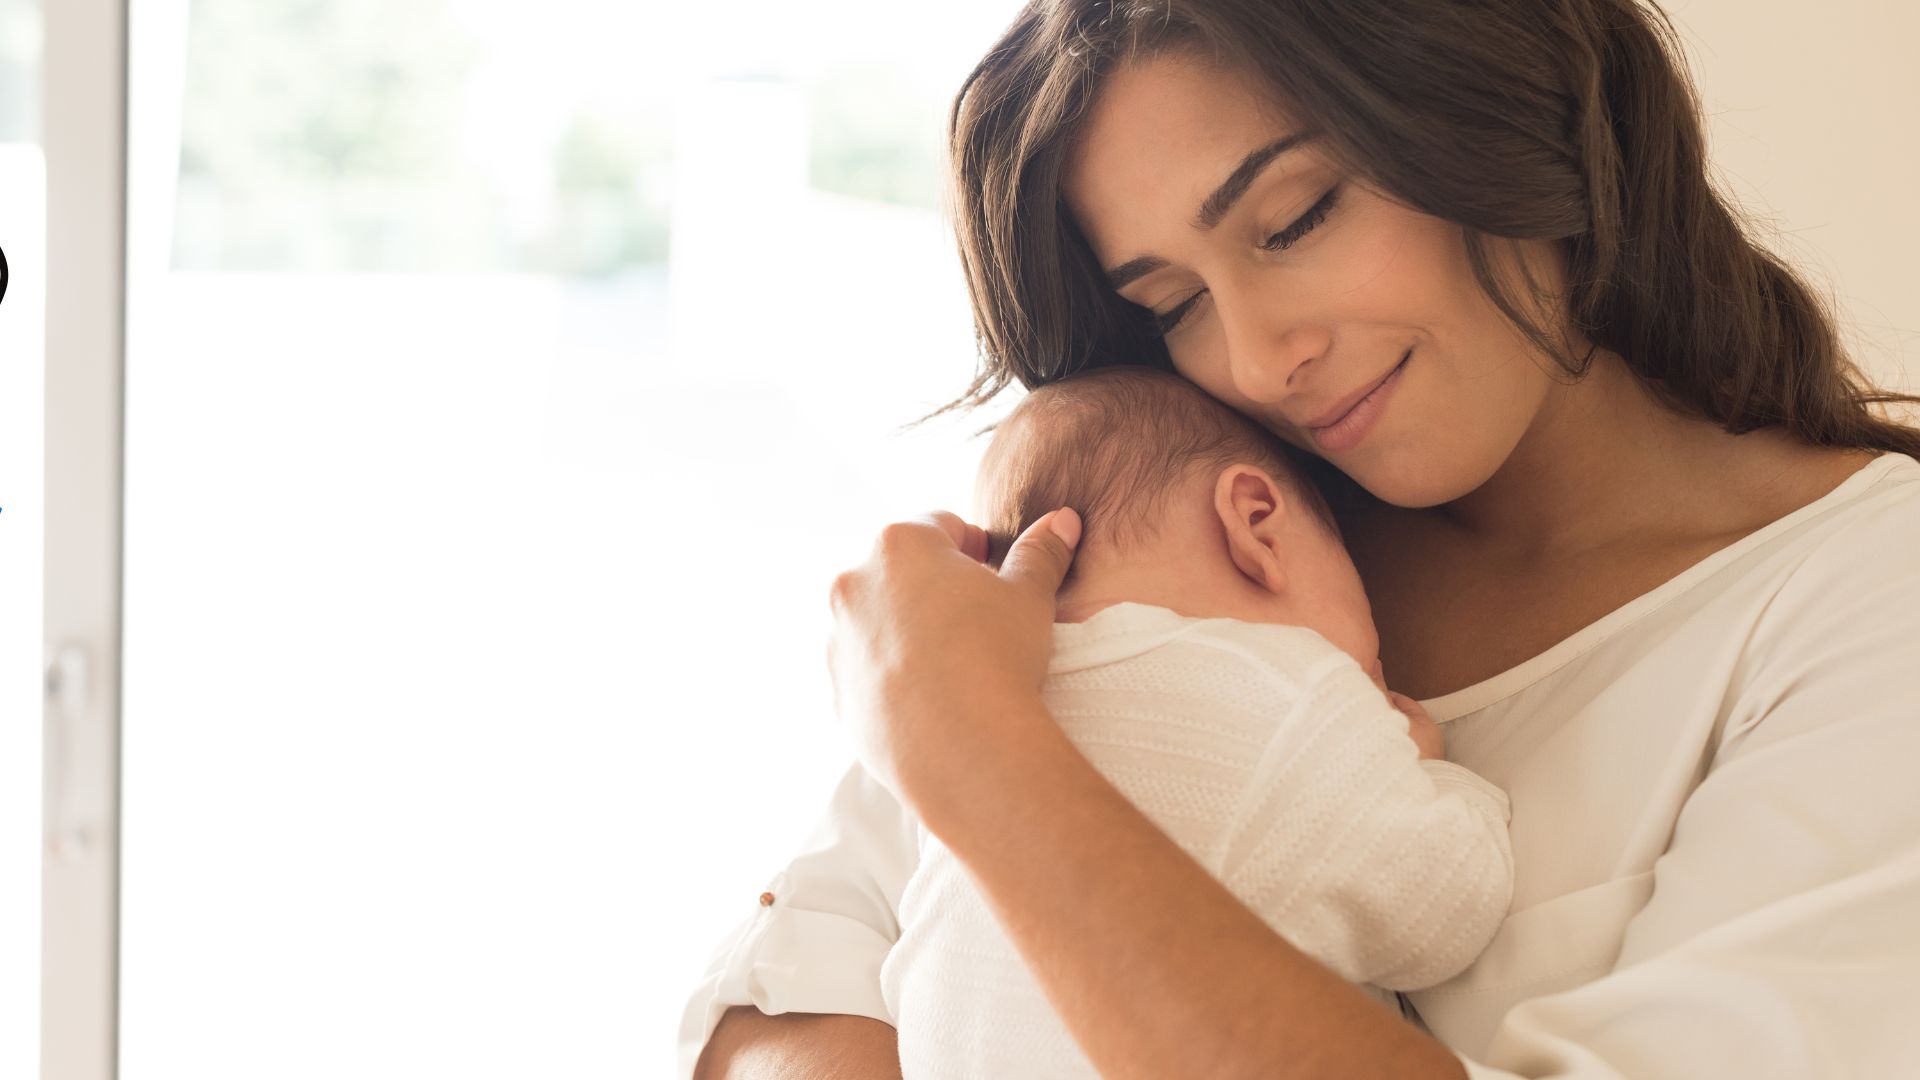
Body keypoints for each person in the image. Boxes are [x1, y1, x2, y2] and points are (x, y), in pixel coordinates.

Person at [689, 1, 1920, 1077]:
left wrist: (985, 763)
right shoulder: (1186, 550)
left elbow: (933, 822)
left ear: (1496, 108)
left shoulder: (1864, 602)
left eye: (1296, 218)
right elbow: (768, 1017)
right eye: (1172, 304)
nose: (1261, 358)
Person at [878, 366, 1513, 1078]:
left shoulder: (972, 730)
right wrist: (1431, 772)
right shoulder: (1284, 691)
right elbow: (1442, 911)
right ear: (1258, 523)